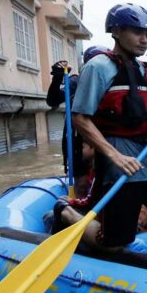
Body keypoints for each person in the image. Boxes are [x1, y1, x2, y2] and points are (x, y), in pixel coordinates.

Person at [54, 3, 147, 253]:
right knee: (114, 245)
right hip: (119, 160)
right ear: (115, 31)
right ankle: (67, 212)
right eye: (137, 32)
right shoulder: (98, 67)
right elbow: (80, 119)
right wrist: (114, 156)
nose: (144, 39)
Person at [46, 46, 108, 199]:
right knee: (81, 184)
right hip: (79, 139)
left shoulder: (113, 81)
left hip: (105, 136)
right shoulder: (76, 81)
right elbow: (53, 100)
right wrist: (57, 78)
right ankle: (79, 208)